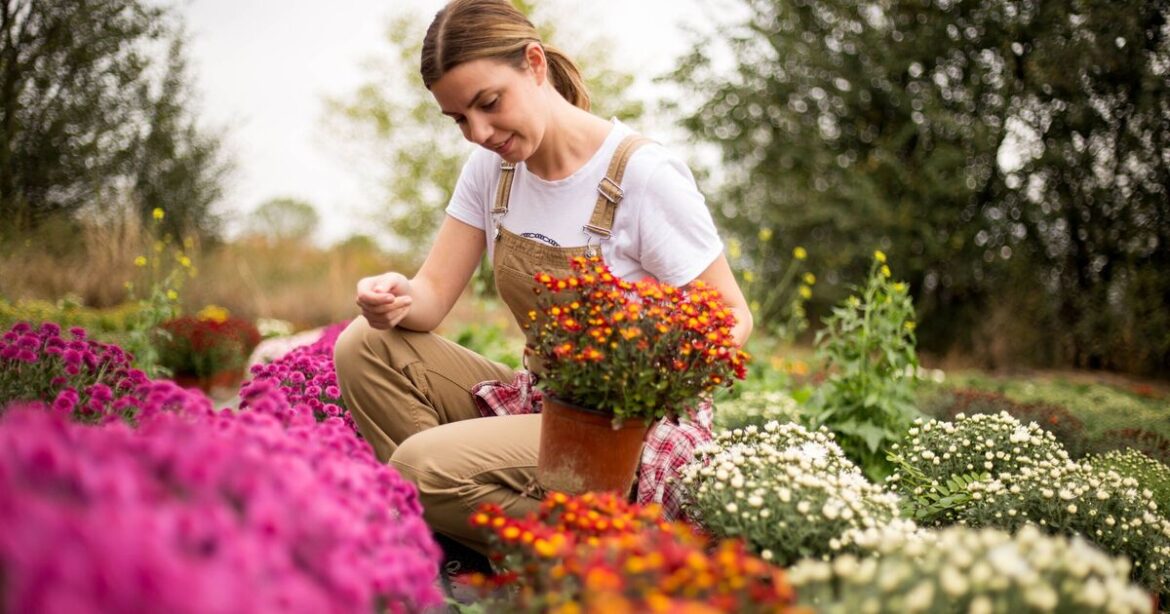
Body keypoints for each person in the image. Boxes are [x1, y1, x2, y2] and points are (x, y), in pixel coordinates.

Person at [333, 0, 751, 559]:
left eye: (488, 104)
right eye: (459, 119)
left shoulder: (642, 176)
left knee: (418, 467)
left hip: (623, 430)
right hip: (542, 402)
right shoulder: (492, 171)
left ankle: (623, 558)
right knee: (365, 346)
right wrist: (392, 296)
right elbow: (430, 299)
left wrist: (643, 385)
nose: (477, 133)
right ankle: (469, 521)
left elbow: (734, 315)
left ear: (534, 65)